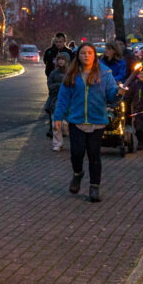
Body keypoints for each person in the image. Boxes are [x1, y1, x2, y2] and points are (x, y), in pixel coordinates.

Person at [53, 42, 119, 203]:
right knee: (77, 153)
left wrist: (118, 92)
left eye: (90, 53)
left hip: (97, 120)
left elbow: (111, 95)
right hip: (77, 120)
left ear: (94, 55)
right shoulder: (72, 74)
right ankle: (78, 173)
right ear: (78, 56)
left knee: (94, 154)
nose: (86, 56)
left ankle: (94, 186)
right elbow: (63, 98)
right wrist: (58, 117)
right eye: (83, 53)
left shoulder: (105, 73)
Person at [44, 50, 70, 150]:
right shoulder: (53, 73)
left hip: (68, 100)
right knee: (55, 123)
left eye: (62, 59)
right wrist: (60, 85)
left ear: (66, 61)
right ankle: (57, 143)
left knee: (67, 123)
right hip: (55, 100)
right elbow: (50, 86)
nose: (60, 61)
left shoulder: (71, 73)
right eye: (59, 59)